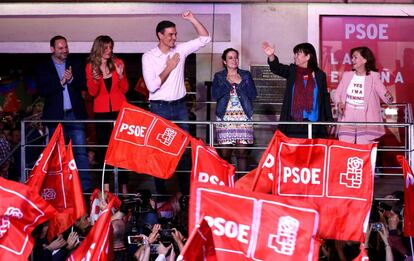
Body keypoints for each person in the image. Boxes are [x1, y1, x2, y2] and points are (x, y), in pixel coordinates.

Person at [142, 10, 211, 194]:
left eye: (175, 34)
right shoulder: (148, 57)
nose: (174, 37)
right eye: (170, 34)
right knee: (160, 151)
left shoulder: (180, 49)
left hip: (180, 106)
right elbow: (152, 86)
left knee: (185, 150)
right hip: (159, 108)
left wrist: (192, 19)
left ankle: (185, 194)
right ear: (160, 35)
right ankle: (161, 194)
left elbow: (205, 38)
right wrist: (169, 67)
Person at [36, 35, 91, 191]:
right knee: (56, 155)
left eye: (66, 47)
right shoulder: (43, 66)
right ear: (52, 49)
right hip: (55, 117)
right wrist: (61, 83)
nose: (64, 50)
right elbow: (43, 91)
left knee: (80, 152)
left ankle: (85, 189)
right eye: (60, 48)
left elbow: (83, 85)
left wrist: (72, 79)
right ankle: (57, 188)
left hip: (75, 115)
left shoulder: (75, 63)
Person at [86, 35, 129, 193]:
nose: (109, 51)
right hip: (101, 112)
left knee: (122, 149)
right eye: (106, 47)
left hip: (119, 111)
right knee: (105, 149)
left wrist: (120, 75)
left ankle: (124, 187)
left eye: (111, 47)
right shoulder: (91, 67)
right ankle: (106, 189)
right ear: (99, 48)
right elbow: (92, 93)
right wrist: (96, 80)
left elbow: (124, 89)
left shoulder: (118, 63)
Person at [263, 42, 333, 138]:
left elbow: (325, 99)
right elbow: (277, 68)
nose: (295, 57)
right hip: (294, 122)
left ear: (308, 56)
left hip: (314, 123)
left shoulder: (320, 75)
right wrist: (271, 55)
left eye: (298, 54)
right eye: (294, 54)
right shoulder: (292, 71)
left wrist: (329, 121)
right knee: (294, 151)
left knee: (311, 152)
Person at [333, 46, 393, 144]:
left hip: (366, 117)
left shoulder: (374, 77)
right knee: (345, 147)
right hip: (347, 114)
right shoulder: (347, 75)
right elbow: (337, 94)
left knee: (363, 150)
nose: (352, 60)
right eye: (352, 57)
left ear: (365, 60)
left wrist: (388, 97)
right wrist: (339, 103)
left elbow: (386, 97)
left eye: (355, 57)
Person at [212, 48, 257, 173]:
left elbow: (253, 94)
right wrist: (228, 82)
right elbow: (215, 95)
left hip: (243, 117)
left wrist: (240, 83)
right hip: (225, 117)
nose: (234, 60)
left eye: (236, 57)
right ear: (225, 61)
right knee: (225, 152)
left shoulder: (246, 75)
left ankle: (241, 186)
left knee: (242, 152)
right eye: (230, 58)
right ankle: (226, 183)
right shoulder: (219, 76)